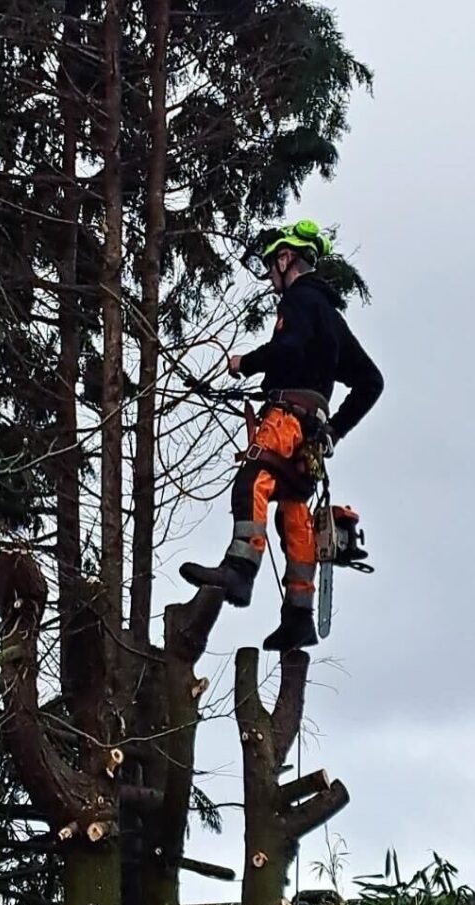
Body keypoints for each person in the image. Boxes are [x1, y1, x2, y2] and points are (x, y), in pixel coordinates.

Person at [179, 220, 384, 650]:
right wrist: (334, 431)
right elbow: (370, 382)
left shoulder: (299, 300)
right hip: (311, 434)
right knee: (292, 507)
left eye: (272, 266)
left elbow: (288, 349)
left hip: (286, 417)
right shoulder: (330, 315)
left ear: (286, 258)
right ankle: (298, 615)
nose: (271, 278)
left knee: (253, 478)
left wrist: (246, 363)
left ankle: (240, 568)